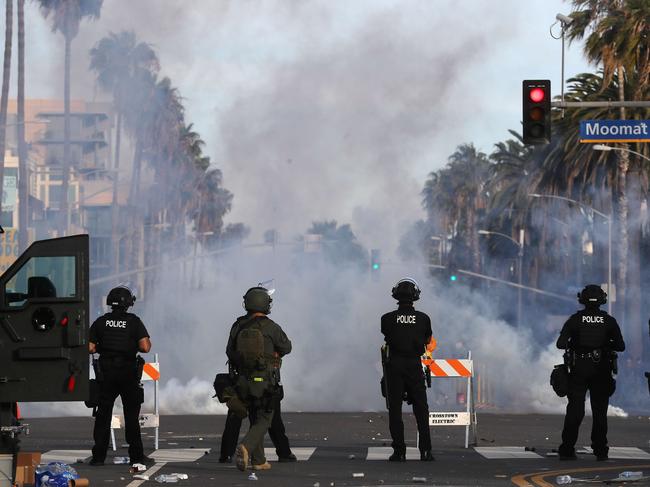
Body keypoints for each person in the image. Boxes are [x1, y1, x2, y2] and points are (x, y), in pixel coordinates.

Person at [557, 284, 625, 461]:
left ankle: (567, 449)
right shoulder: (609, 321)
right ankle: (601, 450)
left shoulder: (575, 320)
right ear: (603, 300)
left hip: (579, 368)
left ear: (582, 299)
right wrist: (604, 345)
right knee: (600, 412)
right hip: (601, 368)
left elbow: (560, 343)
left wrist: (576, 344)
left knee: (575, 411)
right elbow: (620, 346)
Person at [226, 286, 292, 472]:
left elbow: (229, 352)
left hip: (242, 381)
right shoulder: (271, 327)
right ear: (265, 304)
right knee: (265, 418)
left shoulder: (238, 325)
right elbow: (287, 348)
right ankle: (246, 446)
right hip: (264, 381)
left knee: (255, 417)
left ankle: (259, 460)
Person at [88, 286, 153, 466]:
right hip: (128, 373)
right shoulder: (133, 322)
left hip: (106, 374)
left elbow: (90, 347)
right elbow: (146, 347)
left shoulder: (101, 322)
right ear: (128, 304)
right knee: (131, 417)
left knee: (103, 416)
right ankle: (137, 456)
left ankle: (98, 457)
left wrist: (104, 347)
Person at [381, 278, 434, 462]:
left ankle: (399, 452)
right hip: (413, 365)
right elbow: (427, 340)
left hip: (394, 366)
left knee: (395, 410)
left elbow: (387, 335)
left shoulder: (386, 319)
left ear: (396, 295)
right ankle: (426, 451)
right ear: (415, 296)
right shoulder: (424, 319)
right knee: (421, 409)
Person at [218, 389, 296, 463]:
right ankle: (283, 452)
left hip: (240, 385)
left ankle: (226, 454)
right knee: (268, 416)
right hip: (262, 387)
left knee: (235, 416)